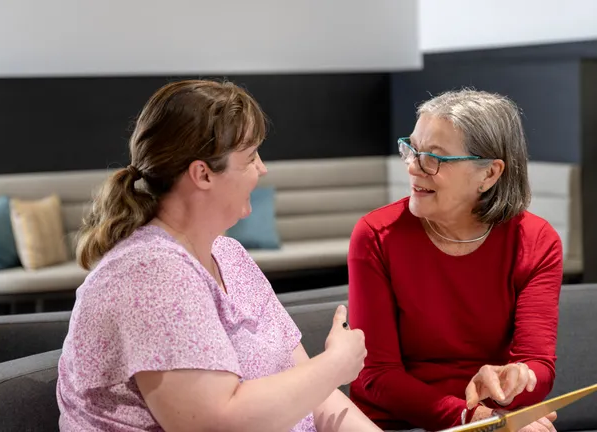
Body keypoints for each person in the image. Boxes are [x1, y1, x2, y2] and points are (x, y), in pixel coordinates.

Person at [56, 79, 383, 432]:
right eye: (251, 157)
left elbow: (313, 392)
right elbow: (215, 424)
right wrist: (336, 364)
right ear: (203, 174)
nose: (262, 169)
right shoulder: (148, 274)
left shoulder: (229, 254)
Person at [347, 89, 563, 432]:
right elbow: (377, 375)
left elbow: (538, 366)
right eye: (412, 150)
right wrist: (473, 418)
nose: (413, 168)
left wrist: (516, 379)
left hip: (489, 417)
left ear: (489, 174)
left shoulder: (536, 241)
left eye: (434, 158)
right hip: (396, 422)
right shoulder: (376, 234)